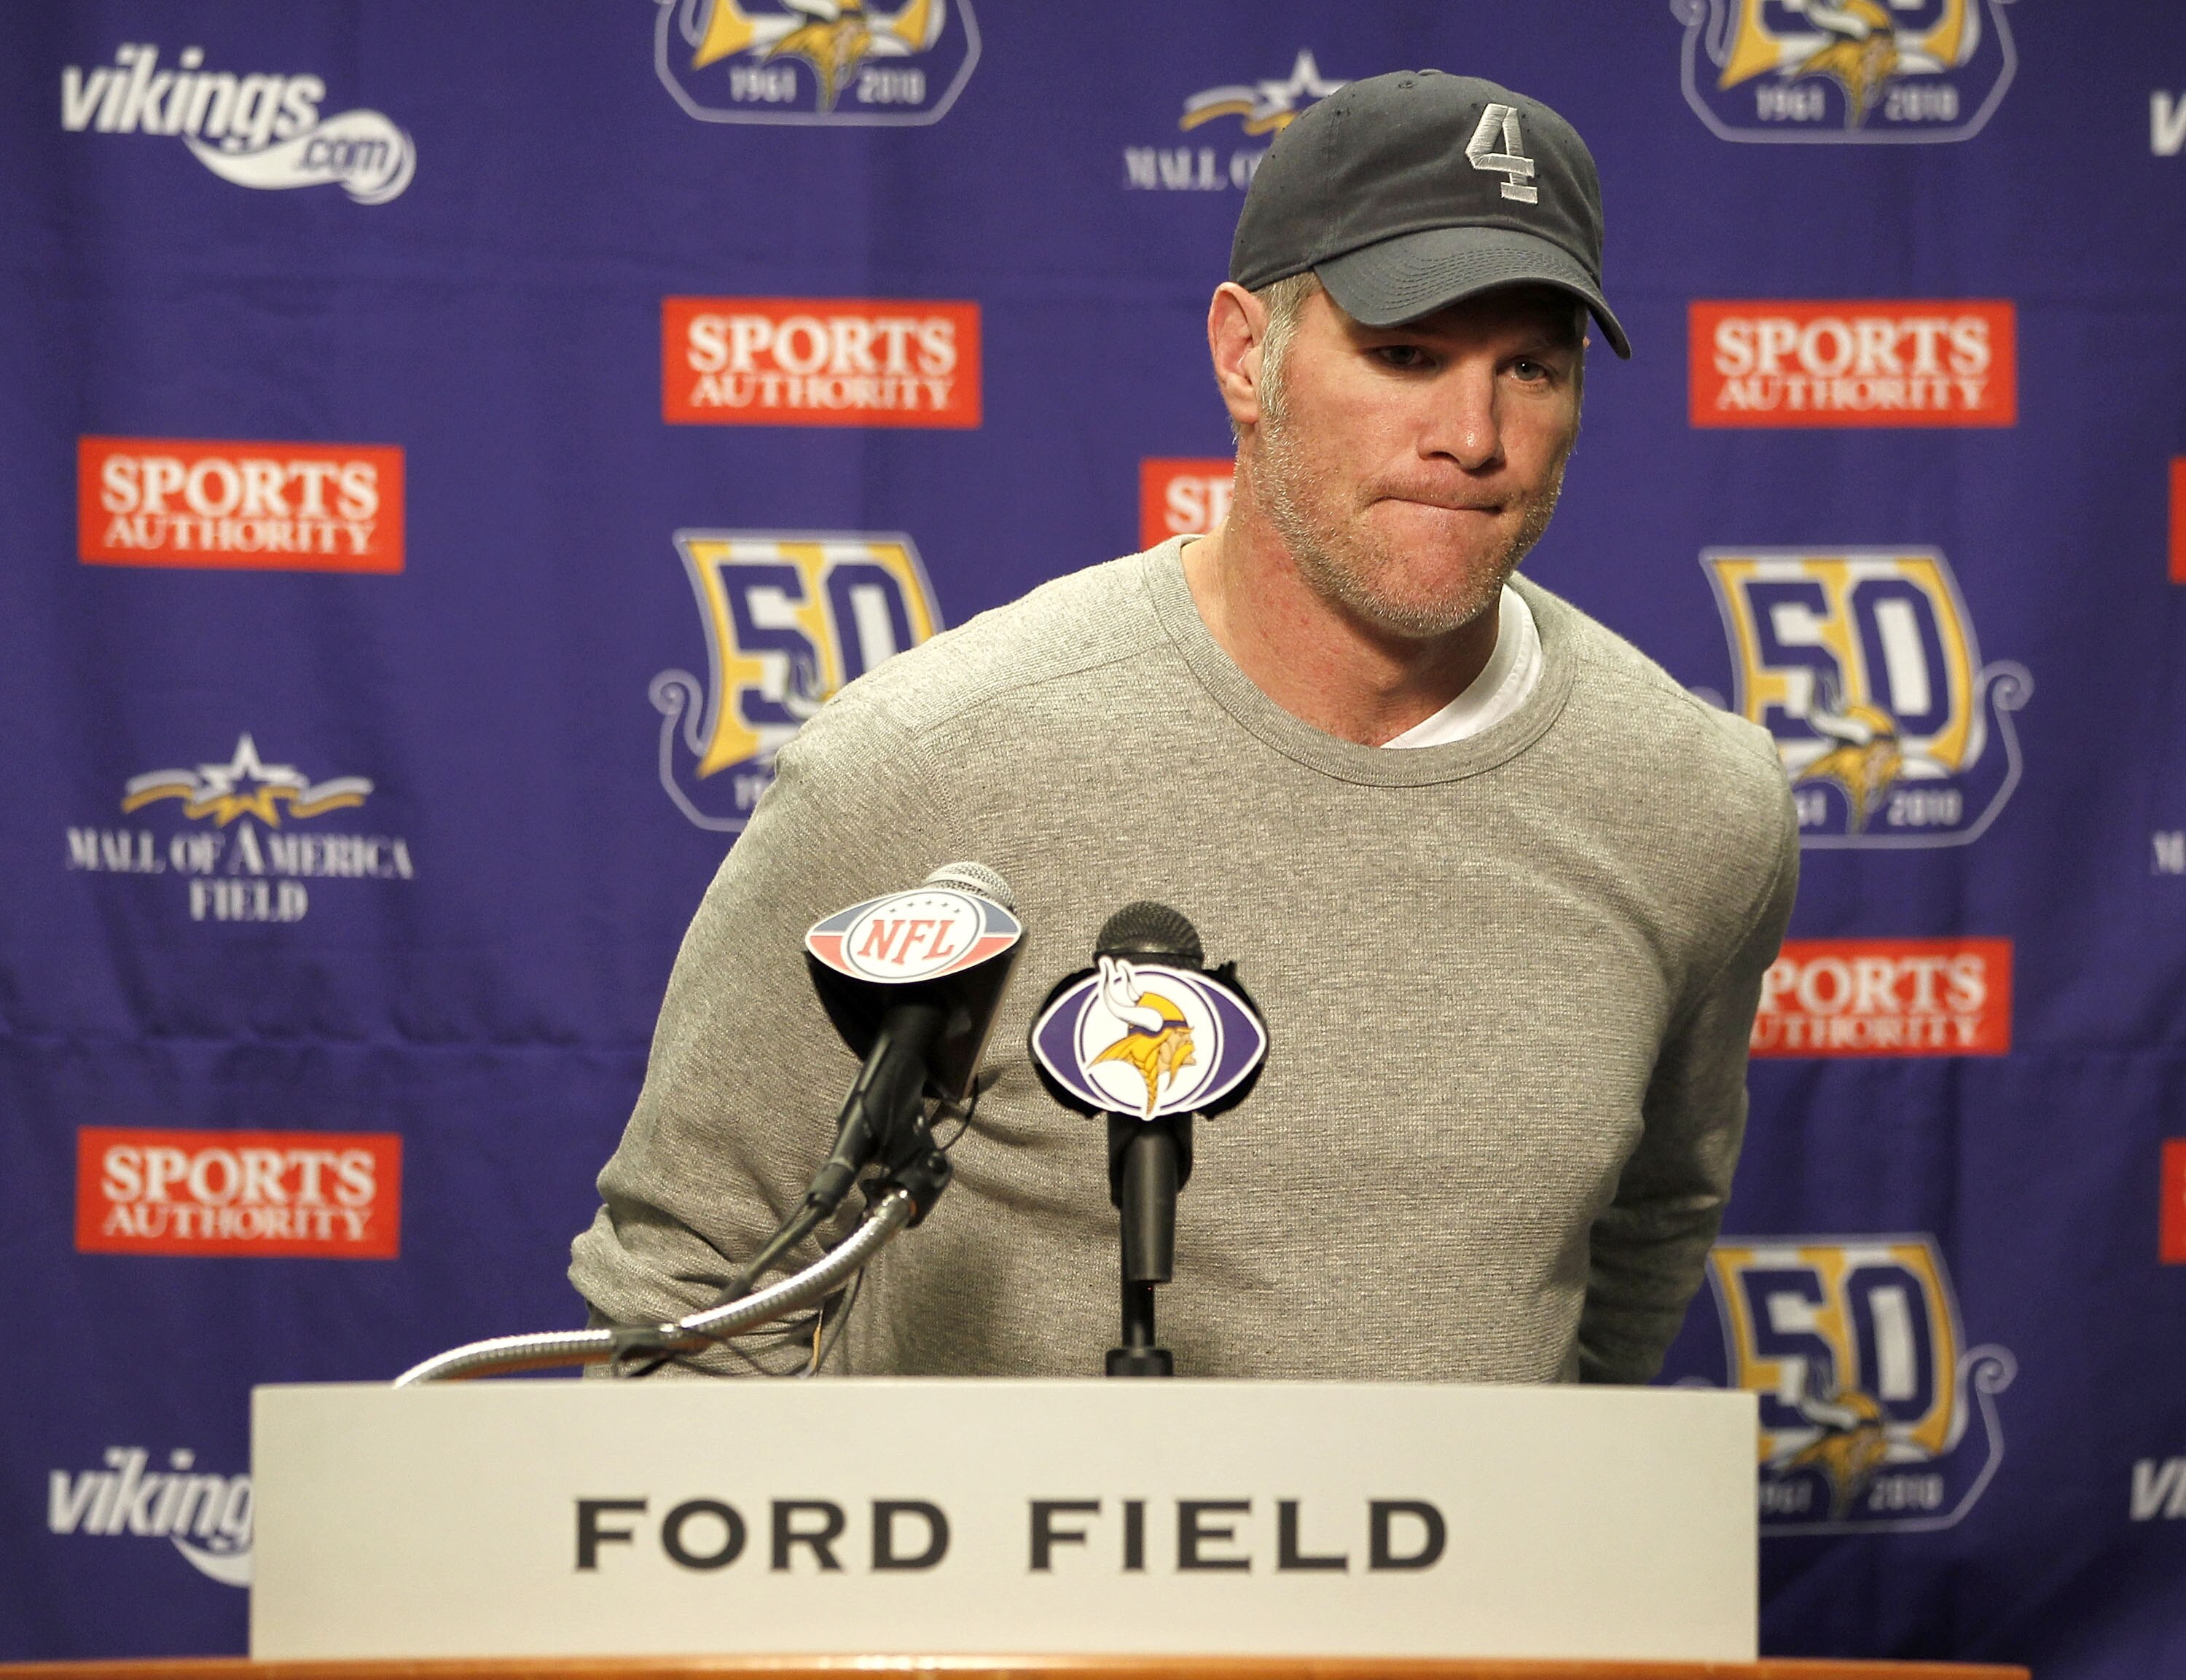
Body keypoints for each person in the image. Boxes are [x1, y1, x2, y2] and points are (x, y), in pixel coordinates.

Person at [569, 70, 1798, 1383]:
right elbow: (686, 1303)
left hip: (1463, 1592)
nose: (1472, 434)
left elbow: (1649, 1228)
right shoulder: (927, 768)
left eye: (1531, 368)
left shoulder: (1697, 803)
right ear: (1241, 357)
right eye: (1405, 355)